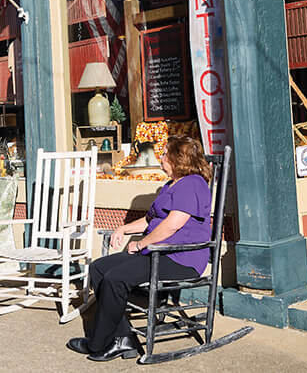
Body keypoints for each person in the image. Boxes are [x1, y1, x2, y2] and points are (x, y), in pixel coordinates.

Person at [67, 135, 214, 361]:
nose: (161, 157)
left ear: (178, 158)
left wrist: (141, 243)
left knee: (115, 279)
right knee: (98, 268)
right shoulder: (170, 185)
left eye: (165, 154)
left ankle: (99, 343)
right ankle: (123, 338)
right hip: (158, 254)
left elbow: (172, 225)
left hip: (181, 259)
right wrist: (123, 229)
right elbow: (149, 220)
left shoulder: (192, 183)